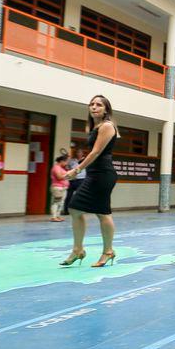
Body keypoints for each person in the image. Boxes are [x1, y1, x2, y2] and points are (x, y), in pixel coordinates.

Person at [60, 95, 120, 268]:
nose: (94, 107)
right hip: (94, 173)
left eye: (99, 105)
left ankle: (108, 251)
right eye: (92, 104)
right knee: (74, 207)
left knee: (103, 213)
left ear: (106, 109)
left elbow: (96, 153)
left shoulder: (107, 126)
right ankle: (78, 249)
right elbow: (94, 152)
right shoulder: (97, 127)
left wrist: (76, 169)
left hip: (103, 174)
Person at [61, 149, 86, 215]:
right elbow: (66, 166)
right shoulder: (72, 160)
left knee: (79, 196)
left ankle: (79, 211)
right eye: (77, 152)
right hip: (72, 180)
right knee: (68, 196)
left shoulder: (85, 160)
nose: (78, 153)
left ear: (82, 153)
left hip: (81, 180)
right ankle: (66, 211)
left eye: (80, 152)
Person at [49, 154, 69, 222]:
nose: (66, 163)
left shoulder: (62, 168)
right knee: (56, 202)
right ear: (61, 161)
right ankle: (53, 217)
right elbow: (59, 177)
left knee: (61, 202)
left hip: (63, 188)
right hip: (57, 187)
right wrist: (67, 174)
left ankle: (58, 216)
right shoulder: (56, 167)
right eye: (66, 162)